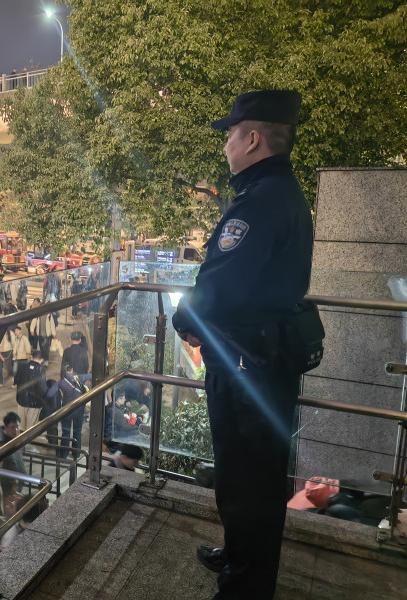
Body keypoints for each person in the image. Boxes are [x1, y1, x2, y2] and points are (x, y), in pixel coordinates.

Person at [171, 90, 312, 599]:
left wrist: (182, 316)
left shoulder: (260, 203)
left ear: (253, 139)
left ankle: (244, 588)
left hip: (247, 364)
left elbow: (220, 285)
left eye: (231, 133)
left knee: (250, 482)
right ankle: (239, 559)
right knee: (247, 476)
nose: (226, 143)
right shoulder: (278, 193)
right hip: (258, 360)